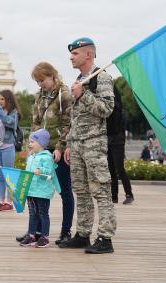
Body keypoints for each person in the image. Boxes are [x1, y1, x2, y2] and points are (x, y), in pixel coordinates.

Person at [60, 37, 116, 254]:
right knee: (81, 191)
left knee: (101, 191)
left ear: (88, 55)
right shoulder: (79, 79)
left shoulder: (101, 78)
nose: (71, 57)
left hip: (94, 143)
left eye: (75, 53)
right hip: (77, 144)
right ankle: (83, 234)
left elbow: (106, 109)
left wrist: (83, 95)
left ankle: (105, 237)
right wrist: (68, 143)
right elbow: (75, 117)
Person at [26, 62, 74, 245]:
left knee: (64, 190)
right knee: (36, 190)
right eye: (37, 81)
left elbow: (67, 124)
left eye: (42, 80)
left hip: (57, 149)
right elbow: (35, 122)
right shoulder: (40, 96)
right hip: (41, 149)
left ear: (52, 75)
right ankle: (36, 232)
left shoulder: (65, 94)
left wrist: (60, 147)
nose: (40, 84)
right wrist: (32, 147)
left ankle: (65, 231)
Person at [19, 129, 61, 248]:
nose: (30, 144)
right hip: (31, 190)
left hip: (42, 192)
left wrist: (41, 171)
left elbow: (50, 172)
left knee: (43, 213)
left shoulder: (46, 157)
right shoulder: (31, 156)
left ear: (41, 143)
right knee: (32, 213)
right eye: (29, 141)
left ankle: (45, 237)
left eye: (32, 142)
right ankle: (32, 235)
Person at [107, 84, 134, 205]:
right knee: (111, 169)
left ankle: (129, 194)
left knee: (119, 168)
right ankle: (114, 196)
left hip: (117, 140)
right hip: (108, 139)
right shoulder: (107, 107)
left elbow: (121, 126)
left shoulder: (119, 111)